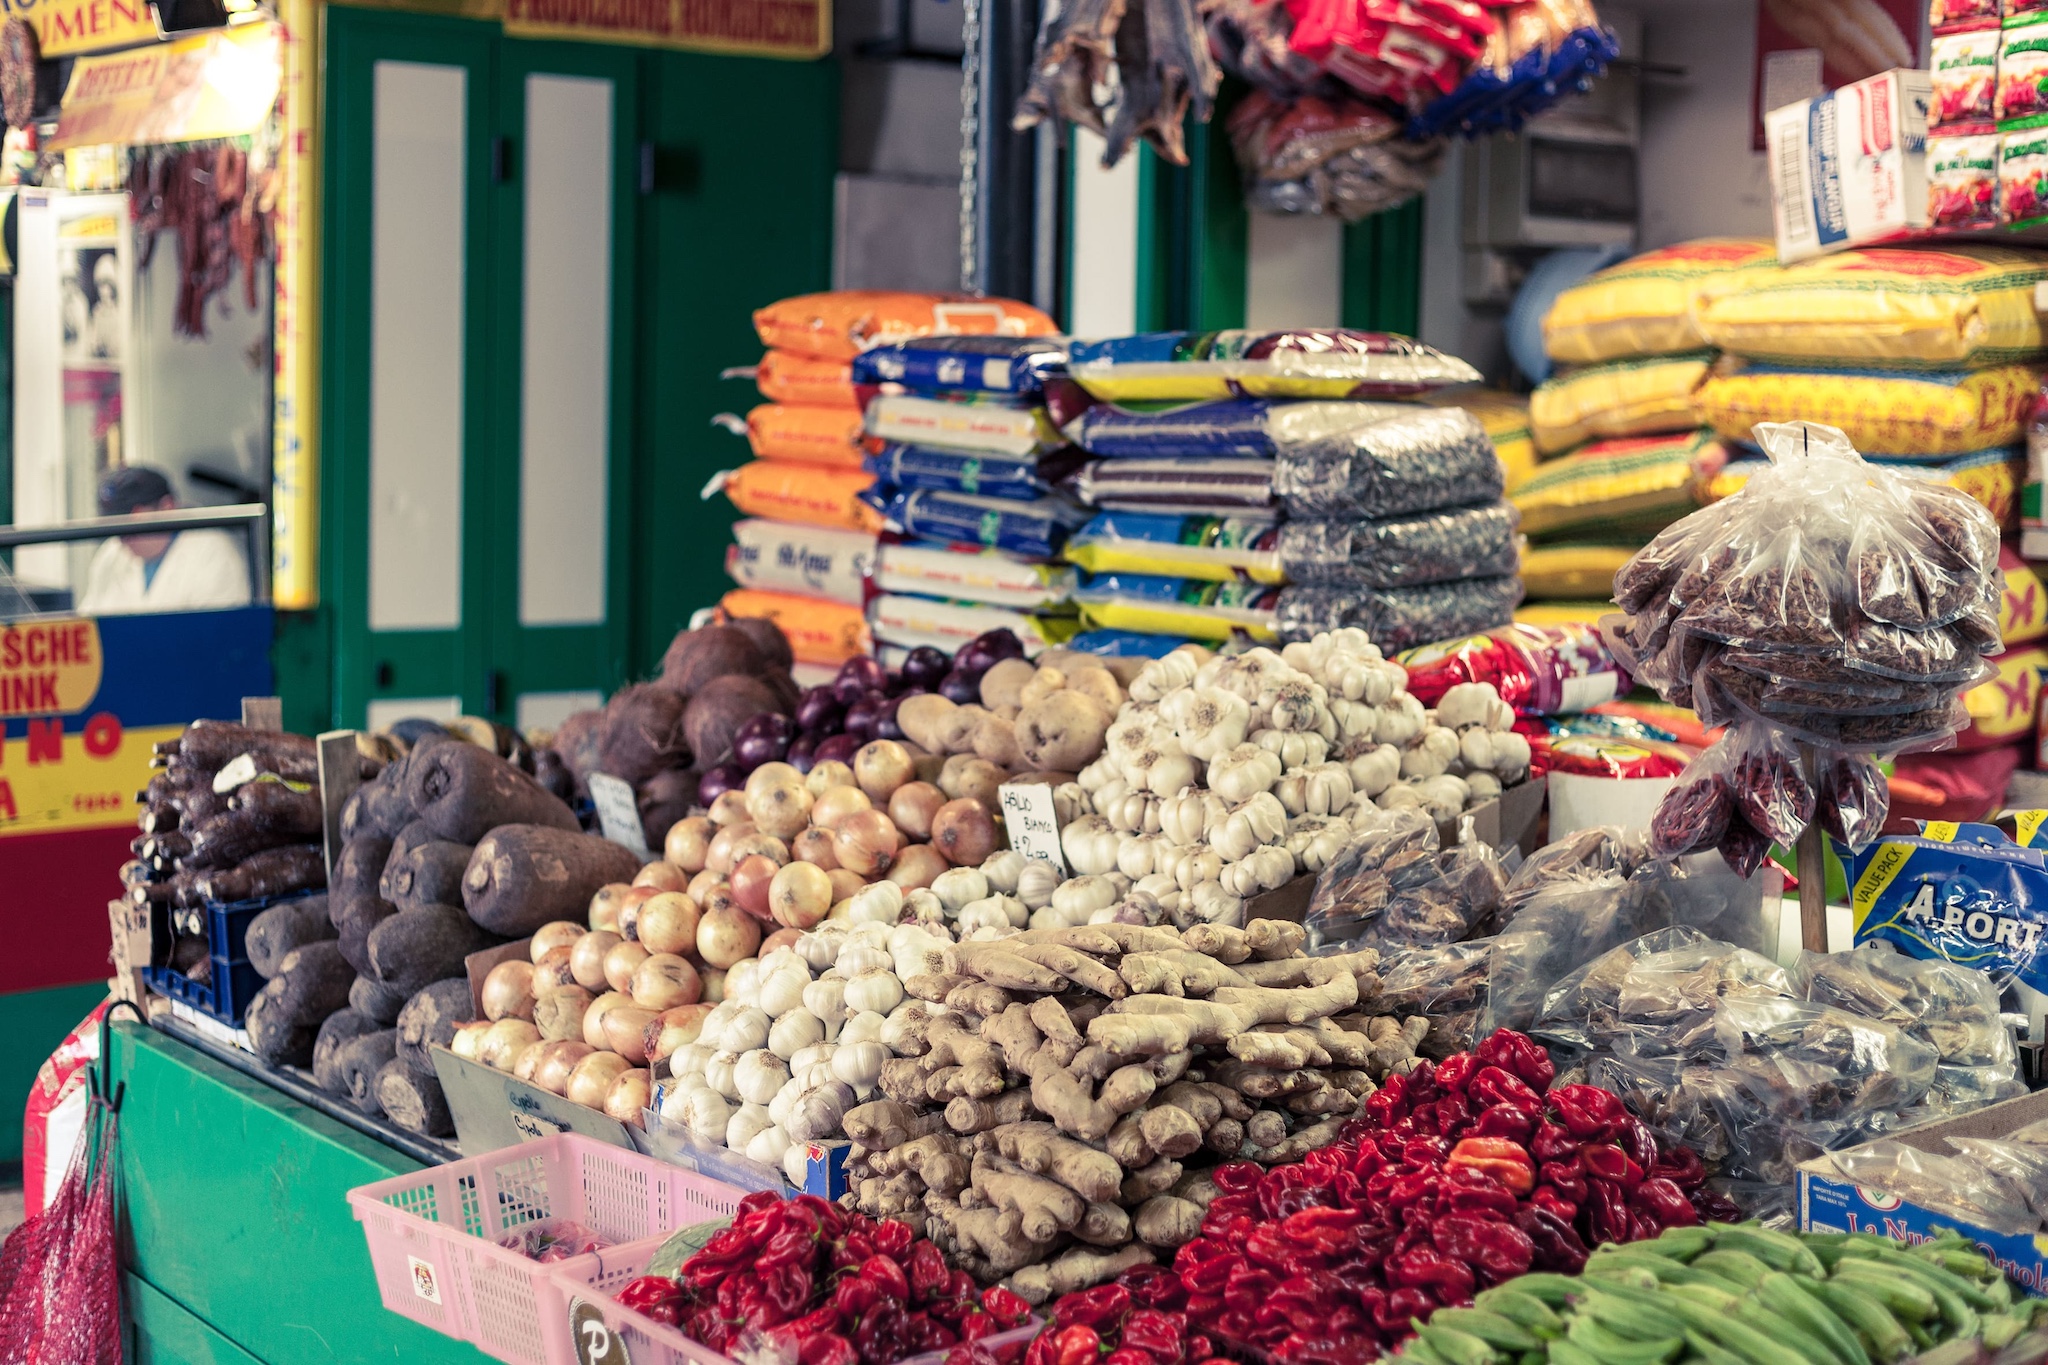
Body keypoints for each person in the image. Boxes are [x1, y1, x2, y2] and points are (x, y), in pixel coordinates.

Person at [76, 466, 253, 615]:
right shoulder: (110, 555)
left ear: (167, 508)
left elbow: (221, 638)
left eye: (131, 521)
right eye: (115, 526)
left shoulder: (213, 552)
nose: (123, 537)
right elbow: (89, 623)